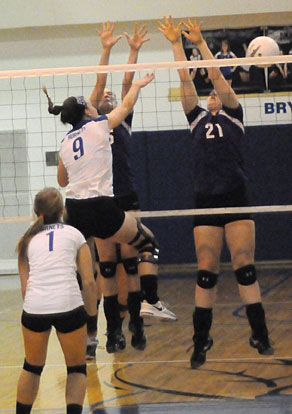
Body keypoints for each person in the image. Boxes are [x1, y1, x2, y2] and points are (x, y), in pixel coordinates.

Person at [158, 16, 274, 369]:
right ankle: (199, 341)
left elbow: (218, 78)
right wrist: (176, 44)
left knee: (244, 268)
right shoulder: (195, 119)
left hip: (235, 196)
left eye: (215, 94)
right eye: (208, 94)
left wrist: (201, 43)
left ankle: (261, 335)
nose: (211, 95)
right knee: (206, 271)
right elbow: (185, 78)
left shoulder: (234, 116)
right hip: (206, 198)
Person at [44, 70, 156, 357]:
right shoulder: (98, 127)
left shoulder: (65, 142)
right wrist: (140, 85)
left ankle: (96, 336)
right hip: (101, 204)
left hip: (75, 211)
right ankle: (150, 301)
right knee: (147, 243)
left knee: (88, 276)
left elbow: (62, 182)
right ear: (86, 110)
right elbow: (126, 106)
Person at [89, 22, 177, 350]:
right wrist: (106, 48)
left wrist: (135, 50)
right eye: (104, 98)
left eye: (115, 97)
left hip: (126, 199)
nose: (110, 97)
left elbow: (126, 82)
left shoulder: (122, 119)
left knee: (131, 264)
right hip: (101, 200)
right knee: (107, 267)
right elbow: (100, 84)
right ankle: (113, 332)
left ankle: (137, 325)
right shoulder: (92, 125)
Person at [16, 187, 97, 414]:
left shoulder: (26, 241)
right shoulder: (75, 235)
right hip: (69, 306)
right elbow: (89, 283)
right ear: (62, 210)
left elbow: (25, 289)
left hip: (35, 308)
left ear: (37, 212)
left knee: (31, 367)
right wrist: (91, 322)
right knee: (76, 369)